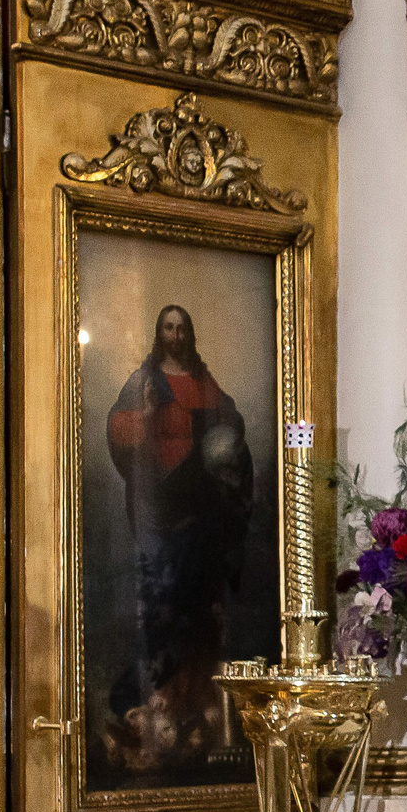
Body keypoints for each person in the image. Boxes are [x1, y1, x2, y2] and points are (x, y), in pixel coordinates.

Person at [104, 302, 252, 774]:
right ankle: (157, 703)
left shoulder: (204, 381)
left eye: (181, 327)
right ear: (157, 333)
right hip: (158, 506)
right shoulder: (143, 381)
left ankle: (200, 701)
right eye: (167, 327)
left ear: (190, 333)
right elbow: (118, 432)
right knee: (161, 599)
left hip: (198, 507)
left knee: (200, 602)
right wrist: (148, 416)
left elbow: (232, 425)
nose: (175, 334)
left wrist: (219, 442)